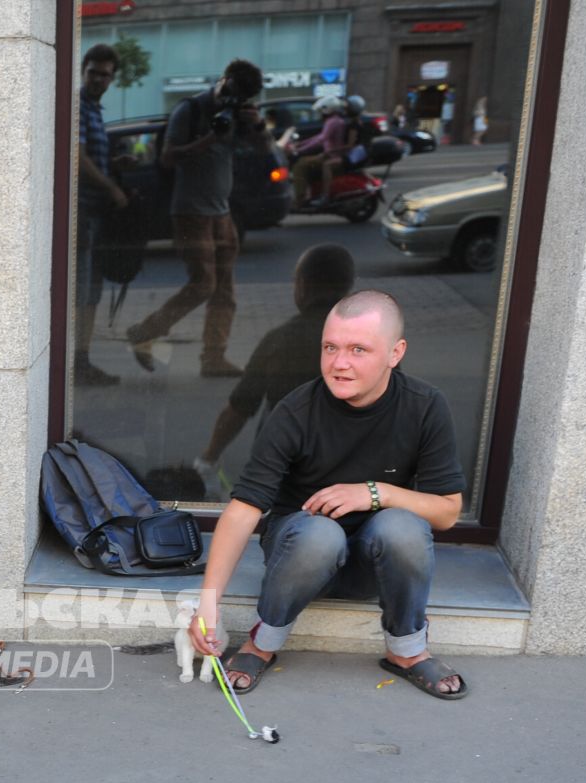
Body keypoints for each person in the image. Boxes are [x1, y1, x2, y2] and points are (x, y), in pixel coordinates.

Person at [189, 290, 470, 700]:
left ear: (396, 352)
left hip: (374, 567)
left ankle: (408, 652)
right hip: (301, 558)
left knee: (403, 526)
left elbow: (447, 513)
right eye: (330, 348)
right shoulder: (295, 411)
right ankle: (261, 644)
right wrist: (208, 604)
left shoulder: (424, 406)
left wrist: (376, 493)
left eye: (359, 349)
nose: (340, 363)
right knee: (321, 534)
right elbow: (244, 508)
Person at [123, 58, 265, 379]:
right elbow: (169, 158)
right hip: (190, 212)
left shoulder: (239, 114)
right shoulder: (190, 110)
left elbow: (262, 147)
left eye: (242, 98)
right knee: (203, 284)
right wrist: (211, 138)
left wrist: (256, 126)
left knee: (225, 291)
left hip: (222, 212)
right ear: (223, 80)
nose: (234, 101)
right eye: (233, 93)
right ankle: (145, 331)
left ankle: (213, 358)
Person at [189, 243, 355, 499]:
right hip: (353, 474)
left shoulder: (280, 340)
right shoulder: (371, 340)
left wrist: (208, 458)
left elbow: (240, 408)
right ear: (348, 286)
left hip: (290, 476)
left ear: (302, 285)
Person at [74, 45, 129, 387]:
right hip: (80, 212)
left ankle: (81, 361)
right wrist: (110, 186)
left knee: (89, 291)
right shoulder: (79, 107)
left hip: (93, 213)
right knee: (83, 292)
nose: (98, 79)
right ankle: (78, 365)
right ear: (83, 70)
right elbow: (76, 157)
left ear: (112, 79)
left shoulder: (94, 109)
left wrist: (114, 167)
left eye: (104, 74)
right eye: (93, 72)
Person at [289, 95, 347, 207]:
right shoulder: (334, 121)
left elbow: (321, 139)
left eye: (321, 111)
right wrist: (300, 144)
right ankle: (311, 194)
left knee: (299, 166)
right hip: (329, 154)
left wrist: (300, 150)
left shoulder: (333, 122)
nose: (320, 114)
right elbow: (319, 137)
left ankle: (300, 199)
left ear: (327, 109)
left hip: (332, 156)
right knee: (304, 162)